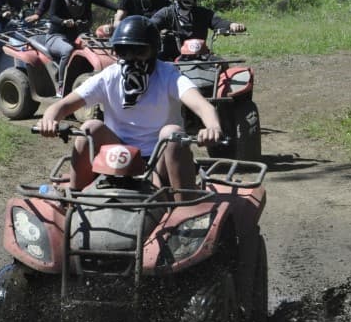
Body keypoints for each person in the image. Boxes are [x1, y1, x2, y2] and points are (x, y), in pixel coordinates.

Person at [36, 15, 222, 199]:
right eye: (124, 52)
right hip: (116, 156)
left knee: (171, 133)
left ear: (153, 51)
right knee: (89, 128)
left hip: (159, 160)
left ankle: (184, 210)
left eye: (139, 52)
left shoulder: (168, 75)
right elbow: (62, 105)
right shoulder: (109, 76)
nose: (131, 59)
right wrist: (49, 119)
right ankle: (75, 200)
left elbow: (202, 105)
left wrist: (212, 127)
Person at [45, 0, 117, 96]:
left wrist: (121, 9)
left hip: (78, 35)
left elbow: (103, 2)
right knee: (67, 50)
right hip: (56, 36)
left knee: (99, 46)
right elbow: (52, 16)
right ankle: (61, 86)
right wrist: (64, 22)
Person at [150, 0, 246, 61]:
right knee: (154, 66)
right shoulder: (166, 13)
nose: (185, 1)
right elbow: (152, 24)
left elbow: (217, 22)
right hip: (170, 59)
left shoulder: (202, 13)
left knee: (221, 65)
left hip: (200, 57)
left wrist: (231, 25)